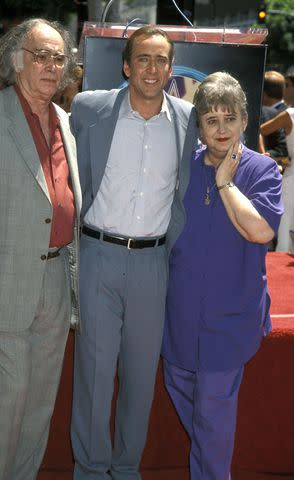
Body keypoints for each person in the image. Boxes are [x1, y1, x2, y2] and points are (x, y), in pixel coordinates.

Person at [0, 18, 81, 480]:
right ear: (15, 60)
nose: (50, 65)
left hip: (54, 286)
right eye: (39, 55)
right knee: (6, 400)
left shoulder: (64, 120)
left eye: (58, 57)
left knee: (38, 406)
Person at [70, 25, 197, 480]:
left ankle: (125, 470)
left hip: (152, 263)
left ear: (171, 68)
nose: (152, 68)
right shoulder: (88, 109)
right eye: (143, 58)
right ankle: (89, 470)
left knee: (141, 381)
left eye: (161, 59)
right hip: (97, 256)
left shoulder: (189, 119)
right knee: (95, 376)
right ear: (126, 65)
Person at [162, 72, 283, 480]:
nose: (220, 129)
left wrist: (225, 182)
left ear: (245, 120)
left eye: (229, 118)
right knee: (190, 405)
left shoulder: (262, 170)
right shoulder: (183, 168)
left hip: (229, 320)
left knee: (212, 423)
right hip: (178, 318)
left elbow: (261, 231)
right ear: (199, 126)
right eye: (211, 120)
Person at [260, 107, 294, 252]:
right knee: (286, 231)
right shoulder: (290, 115)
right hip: (291, 182)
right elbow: (260, 130)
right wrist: (263, 156)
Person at [261, 70, 288, 166]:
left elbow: (284, 149)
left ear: (263, 93)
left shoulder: (285, 115)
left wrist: (260, 156)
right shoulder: (287, 111)